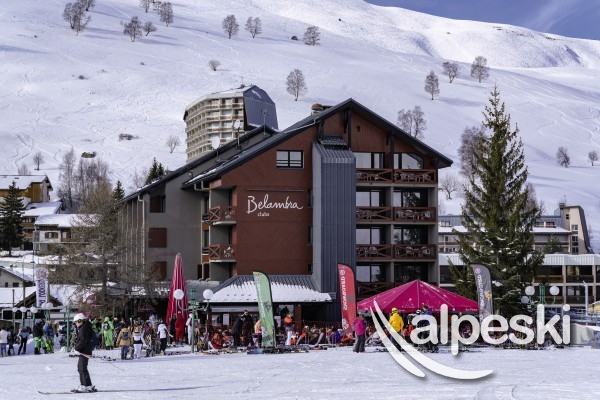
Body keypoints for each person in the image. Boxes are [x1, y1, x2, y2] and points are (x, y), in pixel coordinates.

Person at [72, 313, 96, 393]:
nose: (76, 324)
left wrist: (77, 349)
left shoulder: (83, 329)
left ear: (80, 321)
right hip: (85, 350)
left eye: (76, 322)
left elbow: (83, 341)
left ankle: (84, 386)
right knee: (82, 368)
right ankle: (88, 385)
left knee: (81, 368)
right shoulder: (85, 327)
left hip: (84, 351)